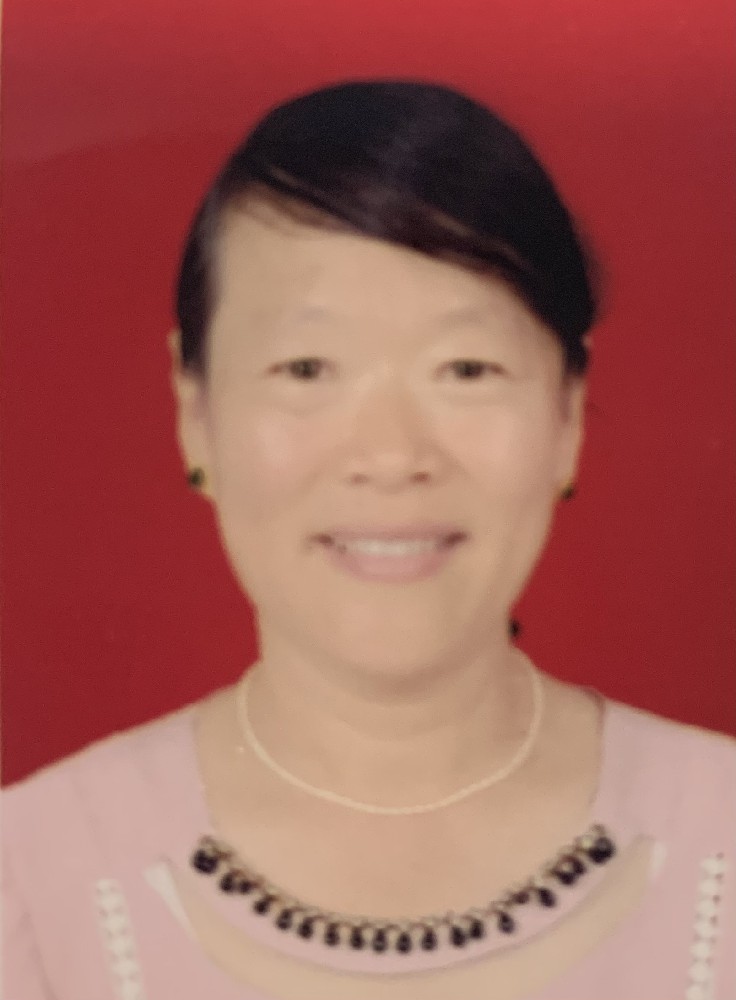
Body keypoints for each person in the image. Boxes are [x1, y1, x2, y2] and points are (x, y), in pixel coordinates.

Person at [2, 80, 734, 1000]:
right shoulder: (34, 882)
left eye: (466, 368)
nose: (391, 457)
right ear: (195, 413)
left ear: (568, 415)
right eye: (308, 368)